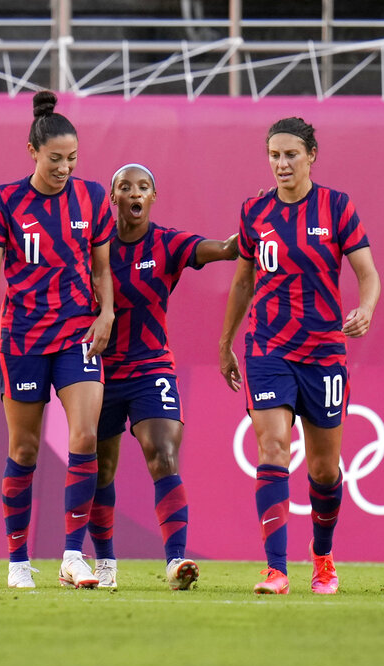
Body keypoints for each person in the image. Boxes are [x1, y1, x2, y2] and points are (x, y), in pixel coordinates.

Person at [219, 117, 380, 596]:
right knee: (272, 449)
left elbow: (368, 274)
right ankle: (275, 568)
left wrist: (366, 309)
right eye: (274, 155)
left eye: (291, 154)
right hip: (268, 347)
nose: (282, 164)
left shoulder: (336, 206)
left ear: (311, 155)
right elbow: (244, 282)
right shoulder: (254, 212)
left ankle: (323, 557)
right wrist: (225, 341)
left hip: (325, 352)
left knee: (324, 469)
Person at [0, 90, 114, 589]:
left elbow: (101, 267)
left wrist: (108, 312)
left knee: (85, 436)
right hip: (24, 338)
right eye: (56, 159)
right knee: (24, 449)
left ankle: (74, 557)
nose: (65, 168)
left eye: (72, 159)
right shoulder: (4, 200)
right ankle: (17, 562)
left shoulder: (94, 197)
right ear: (33, 151)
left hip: (78, 331)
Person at [88, 163, 236, 590]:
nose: (134, 192)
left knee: (163, 453)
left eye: (143, 186)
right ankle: (105, 564)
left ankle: (176, 562)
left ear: (153, 196)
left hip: (152, 366)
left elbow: (224, 249)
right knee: (101, 469)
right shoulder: (94, 248)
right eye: (124, 186)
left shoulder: (169, 244)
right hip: (99, 369)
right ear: (113, 197)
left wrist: (251, 230)